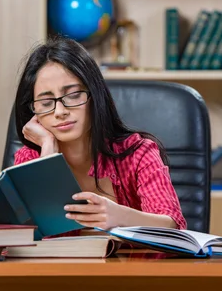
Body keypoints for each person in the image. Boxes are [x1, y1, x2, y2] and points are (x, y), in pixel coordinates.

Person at [12, 36, 187, 232]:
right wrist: (48, 156)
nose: (60, 111)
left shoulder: (138, 153)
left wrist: (121, 216)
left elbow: (173, 225)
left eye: (73, 95)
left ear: (95, 95)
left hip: (132, 263)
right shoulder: (29, 159)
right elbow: (27, 234)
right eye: (46, 103)